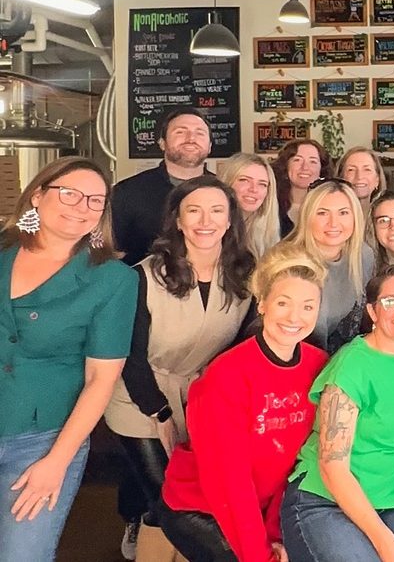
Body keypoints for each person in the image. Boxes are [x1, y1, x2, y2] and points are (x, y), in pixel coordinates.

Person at [105, 175, 257, 559]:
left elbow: (241, 345)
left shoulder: (244, 271)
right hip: (140, 397)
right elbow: (129, 355)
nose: (205, 221)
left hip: (202, 398)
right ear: (177, 220)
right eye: (194, 210)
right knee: (170, 502)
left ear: (229, 220)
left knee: (193, 499)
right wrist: (160, 413)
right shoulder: (143, 275)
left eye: (217, 211)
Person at [0, 157, 138, 562]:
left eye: (95, 200)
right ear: (38, 195)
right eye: (70, 193)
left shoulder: (113, 279)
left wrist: (56, 462)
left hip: (40, 442)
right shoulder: (2, 250)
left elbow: (101, 379)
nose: (82, 206)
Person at [157, 252, 331, 562]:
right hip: (203, 506)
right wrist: (260, 556)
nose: (295, 317)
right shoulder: (225, 376)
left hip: (264, 508)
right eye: (283, 303)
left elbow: (300, 461)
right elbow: (227, 480)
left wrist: (278, 535)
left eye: (308, 307)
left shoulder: (318, 365)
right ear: (262, 304)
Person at [280, 264, 394, 562]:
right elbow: (333, 468)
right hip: (323, 499)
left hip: (388, 500)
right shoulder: (352, 367)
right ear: (373, 311)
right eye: (390, 301)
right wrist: (384, 543)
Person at [267, 180, 373, 353]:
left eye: (343, 213)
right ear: (308, 217)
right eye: (322, 213)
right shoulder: (286, 261)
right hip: (289, 355)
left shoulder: (363, 256)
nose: (333, 223)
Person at [113, 108, 212, 266]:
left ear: (210, 146)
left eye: (200, 133)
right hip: (144, 287)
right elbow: (114, 253)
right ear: (162, 143)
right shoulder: (127, 192)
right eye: (180, 132)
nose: (191, 138)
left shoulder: (224, 192)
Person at [218, 153, 282, 258]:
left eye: (262, 184)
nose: (253, 189)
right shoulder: (211, 229)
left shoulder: (267, 235)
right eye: (244, 180)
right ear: (227, 182)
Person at [272, 139, 332, 237]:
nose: (305, 167)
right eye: (297, 160)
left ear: (321, 169)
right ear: (285, 166)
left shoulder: (331, 206)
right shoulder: (271, 205)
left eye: (313, 161)